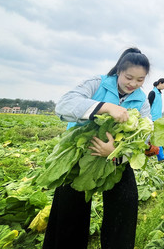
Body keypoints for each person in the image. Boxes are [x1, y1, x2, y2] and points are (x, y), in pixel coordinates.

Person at [43, 48, 151, 249]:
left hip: (115, 159)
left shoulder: (142, 100)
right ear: (119, 71)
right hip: (80, 153)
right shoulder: (97, 83)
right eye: (129, 77)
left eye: (140, 80)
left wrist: (115, 153)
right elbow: (65, 104)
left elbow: (145, 138)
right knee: (69, 213)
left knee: (125, 205)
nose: (133, 84)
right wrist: (107, 107)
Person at [148, 78, 164, 161]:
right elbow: (148, 105)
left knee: (156, 137)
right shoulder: (153, 93)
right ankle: (160, 156)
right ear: (160, 83)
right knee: (156, 137)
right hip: (152, 118)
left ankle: (159, 155)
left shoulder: (159, 93)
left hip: (157, 119)